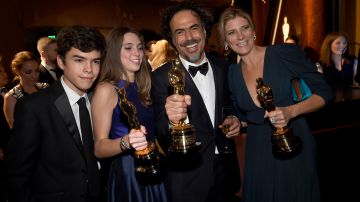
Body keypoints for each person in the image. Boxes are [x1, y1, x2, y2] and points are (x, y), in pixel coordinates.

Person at [217, 7, 333, 202]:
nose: (240, 36)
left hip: (293, 144)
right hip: (257, 151)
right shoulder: (232, 73)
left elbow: (324, 93)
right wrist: (234, 120)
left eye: (244, 28)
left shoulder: (282, 53)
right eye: (231, 32)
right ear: (226, 41)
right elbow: (243, 115)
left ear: (253, 31)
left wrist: (291, 111)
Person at [151, 2, 241, 202]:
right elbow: (159, 130)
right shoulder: (160, 77)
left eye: (194, 28)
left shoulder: (225, 67)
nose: (189, 38)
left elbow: (231, 104)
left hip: (226, 171)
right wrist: (170, 119)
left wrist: (233, 117)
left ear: (205, 30)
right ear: (172, 40)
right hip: (188, 178)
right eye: (180, 32)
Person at [5, 25, 106, 202]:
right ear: (60, 62)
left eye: (95, 61)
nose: (89, 69)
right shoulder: (33, 107)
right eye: (79, 60)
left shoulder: (99, 100)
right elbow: (17, 174)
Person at [91, 27, 167, 202]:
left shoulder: (144, 86)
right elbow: (99, 148)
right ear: (114, 51)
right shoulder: (107, 89)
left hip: (153, 164)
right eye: (128, 47)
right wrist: (126, 141)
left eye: (140, 47)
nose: (137, 53)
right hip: (129, 172)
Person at [3, 51, 48, 129]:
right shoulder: (11, 97)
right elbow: (15, 130)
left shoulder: (45, 87)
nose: (34, 76)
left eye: (37, 71)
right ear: (17, 71)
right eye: (28, 72)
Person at [318, 31, 359, 101]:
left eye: (345, 43)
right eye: (338, 43)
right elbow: (319, 89)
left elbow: (356, 86)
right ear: (329, 45)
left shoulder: (353, 61)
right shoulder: (320, 65)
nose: (343, 46)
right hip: (328, 101)